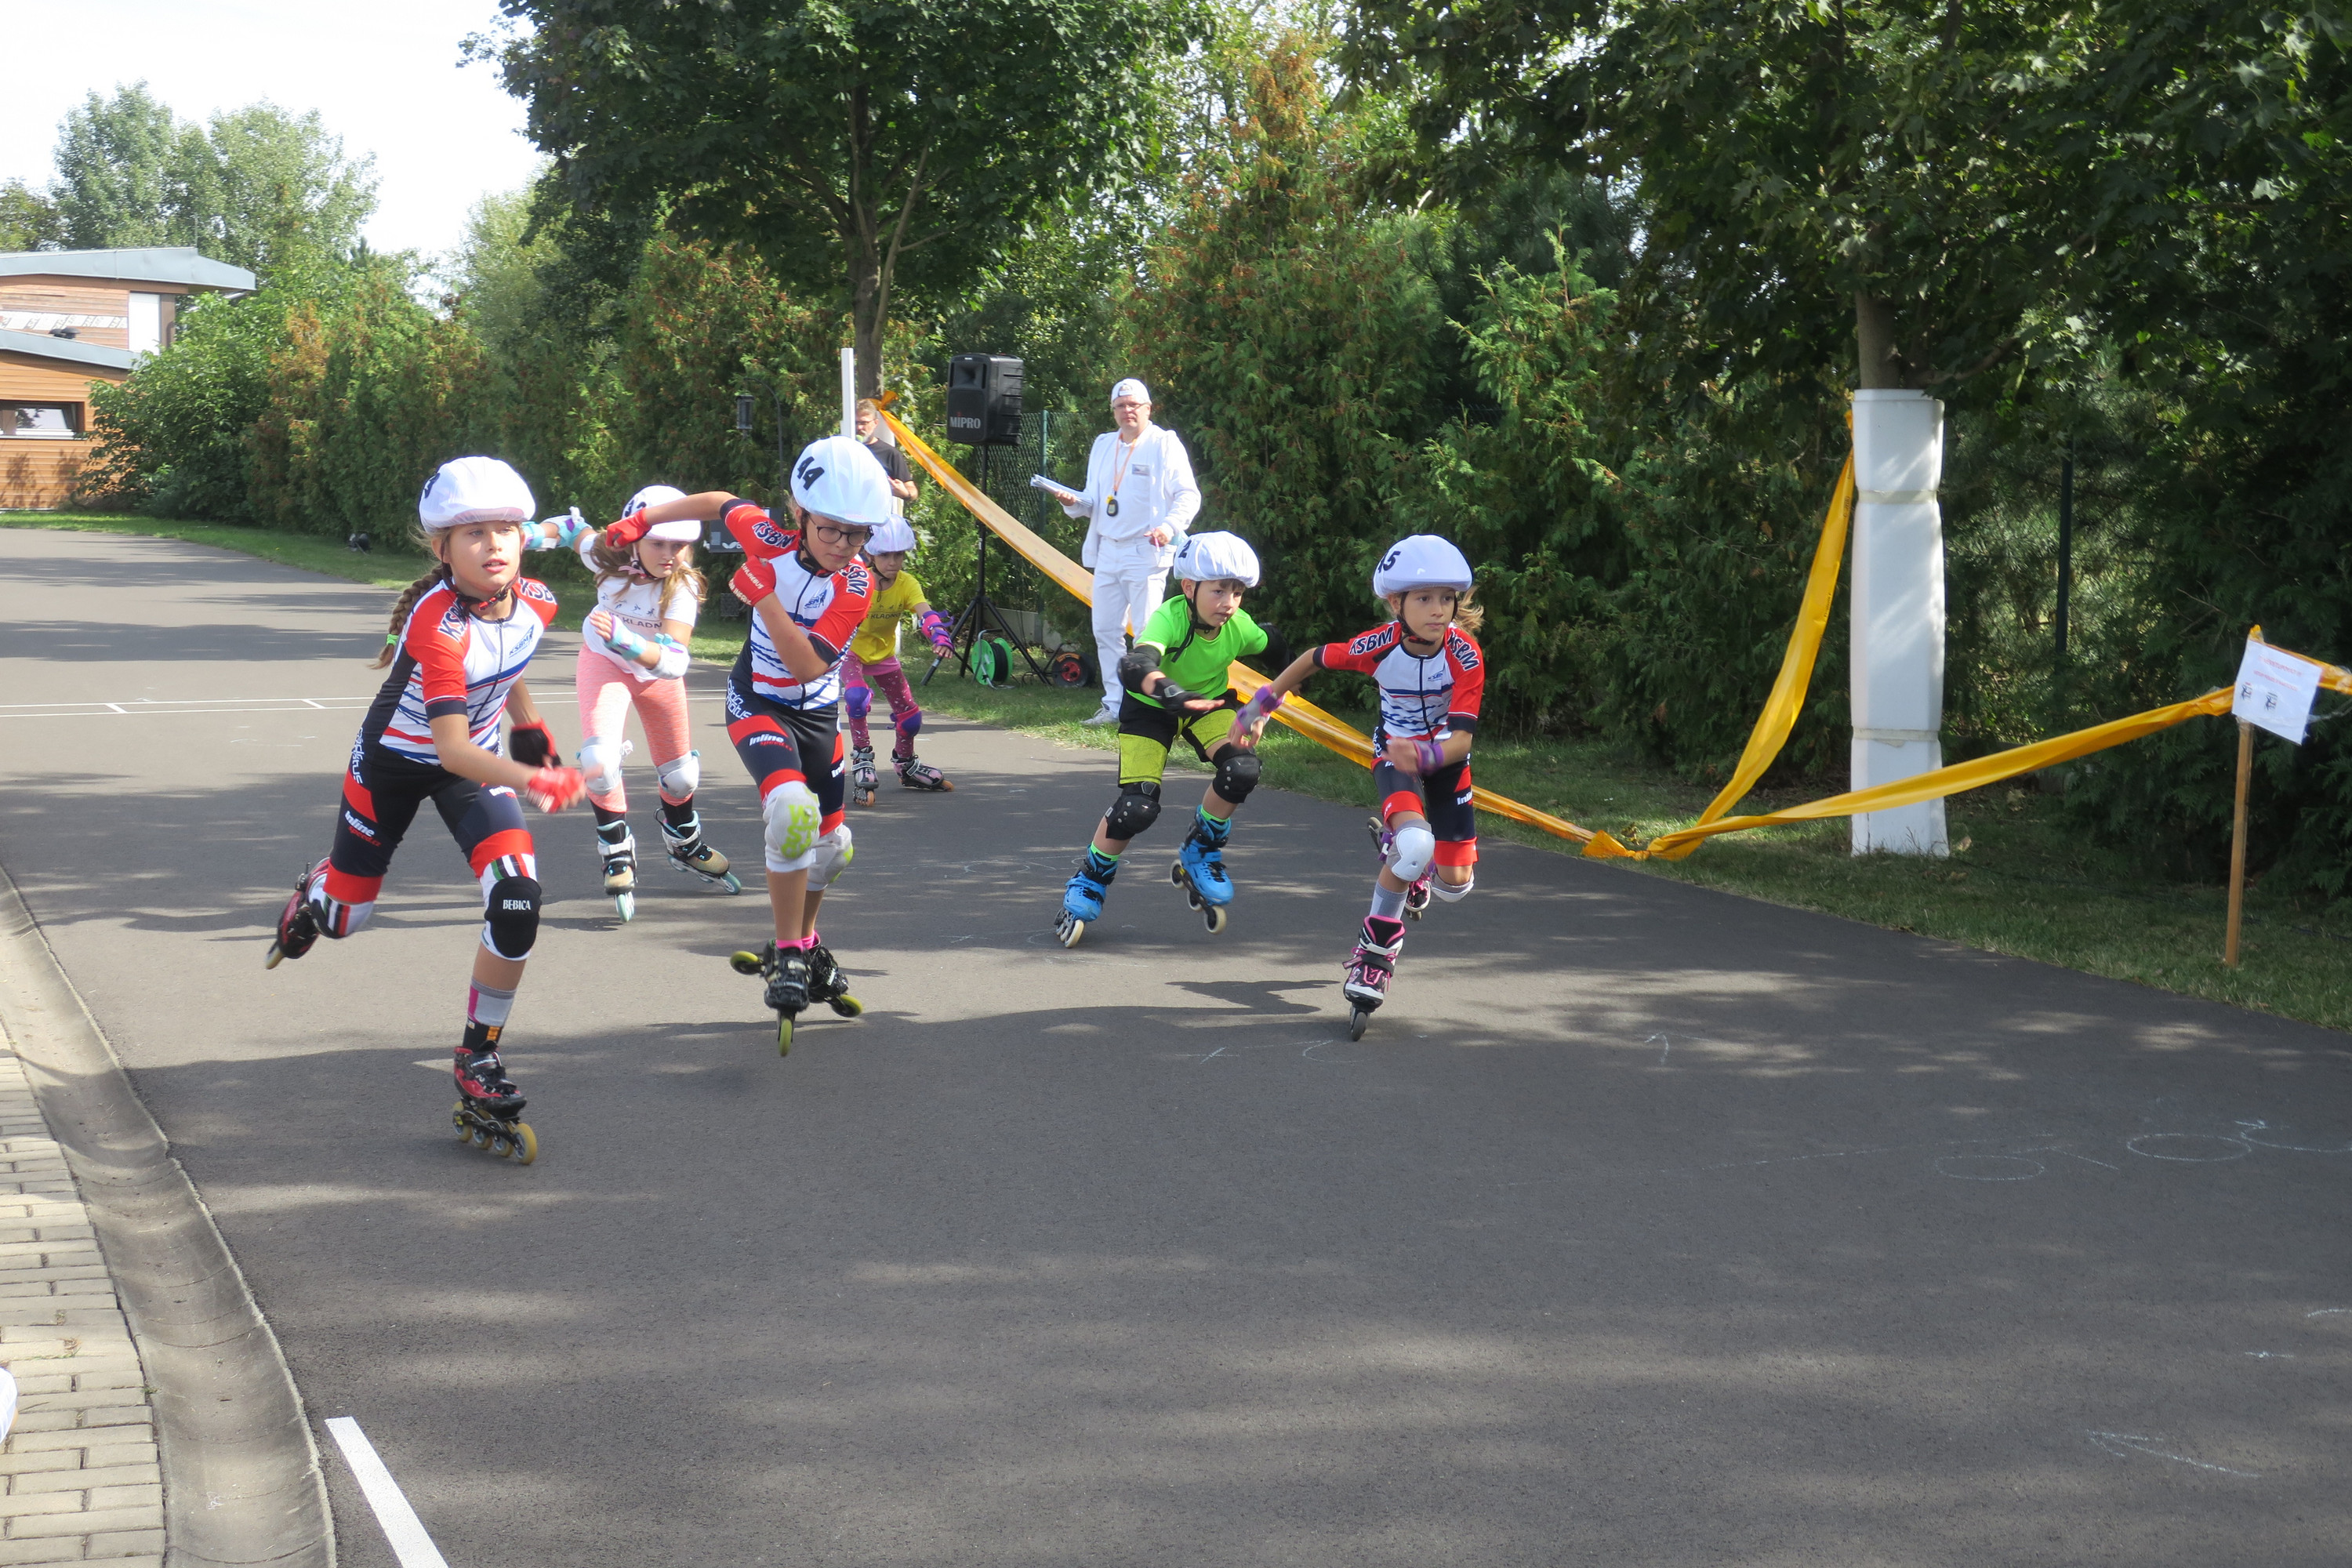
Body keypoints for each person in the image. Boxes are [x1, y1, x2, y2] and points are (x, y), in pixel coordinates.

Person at [266, 456, 586, 1157]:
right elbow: (452, 751)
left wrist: (531, 730)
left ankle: (479, 1054)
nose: (494, 544)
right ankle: (319, 889)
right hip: (398, 764)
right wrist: (536, 779)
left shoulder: (536, 599)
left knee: (518, 899)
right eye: (473, 534)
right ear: (442, 549)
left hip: (473, 764)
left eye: (505, 530)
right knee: (347, 920)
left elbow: (510, 656)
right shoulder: (436, 626)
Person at [615, 437, 884, 1051]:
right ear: (800, 514)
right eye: (831, 529)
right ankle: (788, 952)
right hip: (757, 703)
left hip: (816, 716)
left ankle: (805, 944)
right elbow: (718, 501)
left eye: (857, 534)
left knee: (834, 849)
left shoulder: (857, 584)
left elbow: (809, 666)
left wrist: (762, 595)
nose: (843, 545)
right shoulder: (766, 539)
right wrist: (642, 519)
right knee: (791, 812)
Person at [1228, 536, 1484, 1033]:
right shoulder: (1379, 645)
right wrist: (1262, 704)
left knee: (1455, 887)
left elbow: (1460, 742)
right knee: (1415, 846)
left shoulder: (1465, 654)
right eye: (1424, 598)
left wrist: (1428, 754)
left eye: (1446, 598)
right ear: (1396, 603)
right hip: (1394, 755)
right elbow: (1313, 658)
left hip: (1445, 760)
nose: (1438, 610)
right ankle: (1374, 957)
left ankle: (1412, 864)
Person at [524, 485, 737, 920]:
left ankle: (683, 841)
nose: (670, 555)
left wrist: (628, 641)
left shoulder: (682, 586)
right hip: (603, 665)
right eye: (659, 543)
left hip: (653, 672)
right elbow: (569, 529)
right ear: (635, 539)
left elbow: (674, 662)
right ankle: (615, 848)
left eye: (679, 545)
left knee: (681, 776)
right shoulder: (608, 559)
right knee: (600, 761)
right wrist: (525, 536)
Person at [1056, 532, 1269, 946]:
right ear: (1189, 588)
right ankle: (1090, 879)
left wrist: (1264, 704)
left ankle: (1201, 849)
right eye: (1219, 590)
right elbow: (1135, 664)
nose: (1229, 602)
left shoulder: (1240, 626)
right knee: (1137, 806)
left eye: (1238, 592)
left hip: (1208, 705)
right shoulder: (1168, 618)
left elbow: (1282, 653)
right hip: (1150, 709)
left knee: (1242, 768)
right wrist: (1172, 693)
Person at [1040, 379, 1200, 724]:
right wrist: (1071, 502)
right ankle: (1114, 705)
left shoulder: (1163, 443)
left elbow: (1188, 495)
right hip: (1108, 550)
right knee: (1105, 631)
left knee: (1146, 634)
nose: (1128, 411)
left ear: (1148, 409)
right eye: (1121, 406)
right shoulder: (1103, 445)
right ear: (1113, 411)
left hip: (1146, 551)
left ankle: (1145, 707)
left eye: (1134, 405)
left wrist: (1169, 526)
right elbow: (1093, 503)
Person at [845, 516, 956, 802]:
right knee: (857, 697)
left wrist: (938, 634)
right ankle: (862, 757)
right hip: (851, 652)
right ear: (871, 554)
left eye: (899, 555)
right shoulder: (858, 580)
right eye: (885, 555)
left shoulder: (907, 584)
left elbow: (925, 612)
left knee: (910, 718)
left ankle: (905, 765)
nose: (893, 562)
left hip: (883, 654)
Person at [855, 397, 919, 515]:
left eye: (864, 423)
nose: (859, 428)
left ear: (875, 423)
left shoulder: (890, 453)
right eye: (856, 423)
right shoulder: (842, 449)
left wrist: (905, 493)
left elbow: (912, 490)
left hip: (877, 519)